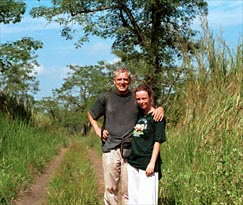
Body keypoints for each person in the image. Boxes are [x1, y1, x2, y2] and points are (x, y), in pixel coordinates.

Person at [87, 67, 164, 205]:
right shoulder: (106, 98)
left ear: (130, 81)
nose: (122, 82)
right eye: (119, 79)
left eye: (125, 79)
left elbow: (148, 108)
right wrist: (98, 130)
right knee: (111, 188)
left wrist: (160, 108)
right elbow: (91, 114)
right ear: (114, 81)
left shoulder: (135, 99)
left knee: (129, 190)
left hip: (130, 150)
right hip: (110, 148)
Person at [127, 84, 166, 205]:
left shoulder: (157, 117)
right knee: (134, 199)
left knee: (148, 200)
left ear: (150, 97)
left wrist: (152, 163)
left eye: (144, 98)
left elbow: (157, 141)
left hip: (147, 163)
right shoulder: (139, 114)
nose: (141, 101)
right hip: (133, 161)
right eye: (138, 99)